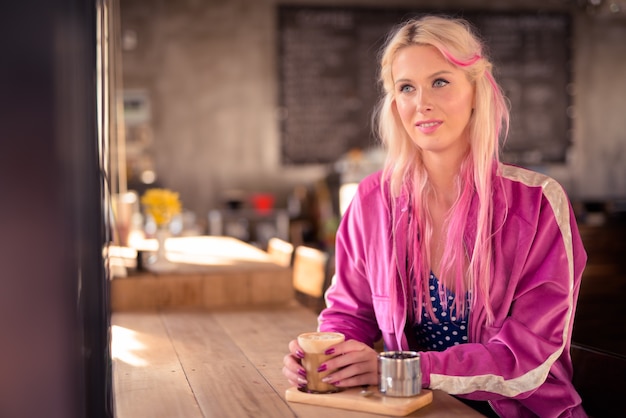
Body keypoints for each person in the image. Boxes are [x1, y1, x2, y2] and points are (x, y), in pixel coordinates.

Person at [282, 15, 588, 418]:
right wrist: (327, 356)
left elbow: (530, 355)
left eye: (440, 81)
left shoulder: (539, 203)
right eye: (406, 88)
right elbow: (350, 312)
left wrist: (404, 369)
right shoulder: (373, 199)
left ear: (476, 90)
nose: (421, 103)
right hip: (414, 408)